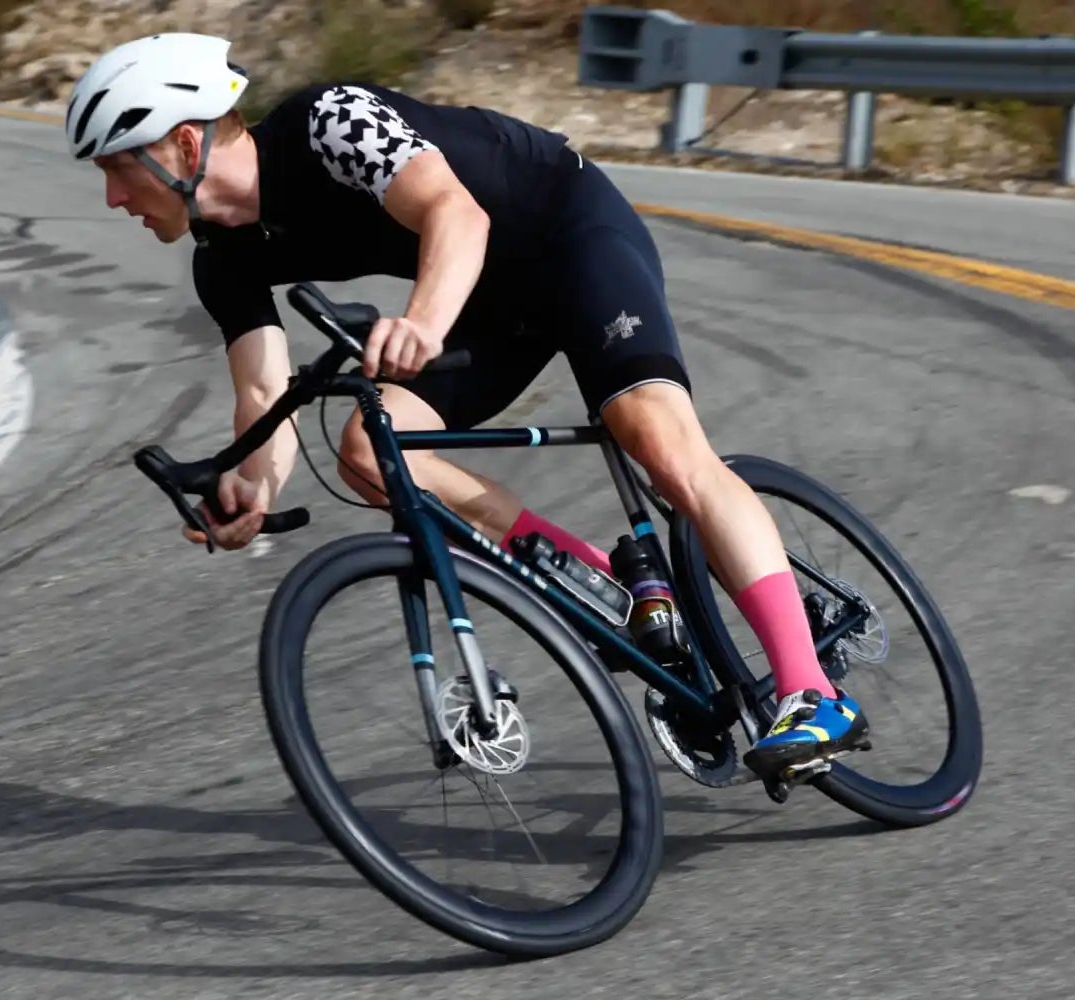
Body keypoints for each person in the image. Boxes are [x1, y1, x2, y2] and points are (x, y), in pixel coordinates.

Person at [63, 33, 867, 778]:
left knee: (655, 438)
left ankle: (811, 694)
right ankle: (608, 588)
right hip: (487, 301)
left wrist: (421, 325)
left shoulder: (328, 121)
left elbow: (455, 210)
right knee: (370, 451)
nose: (110, 196)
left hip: (566, 233)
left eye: (116, 167)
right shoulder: (222, 260)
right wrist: (253, 487)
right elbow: (263, 393)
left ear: (185, 144)